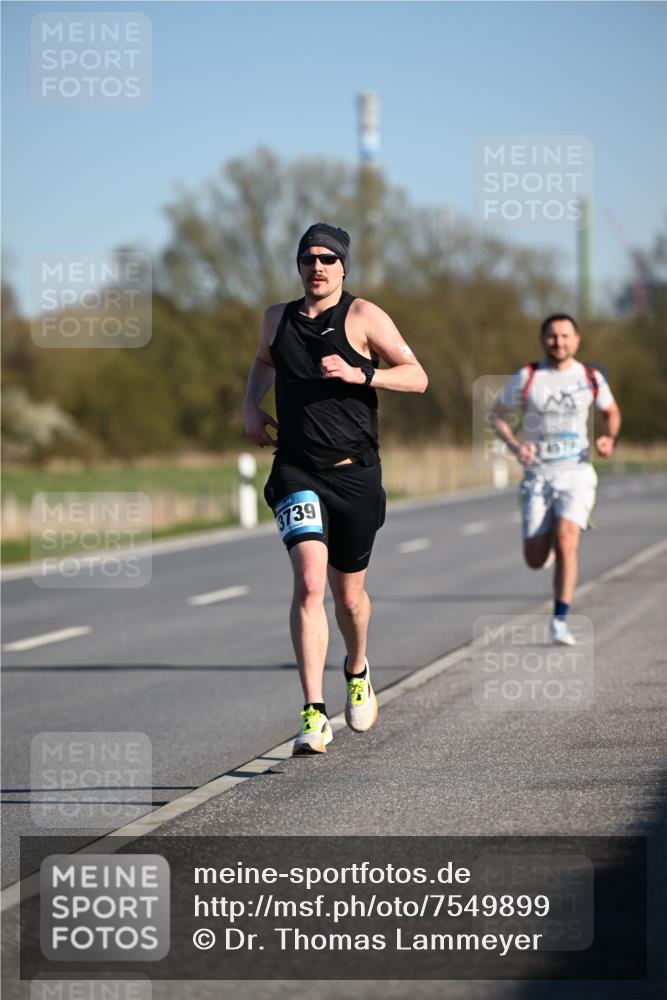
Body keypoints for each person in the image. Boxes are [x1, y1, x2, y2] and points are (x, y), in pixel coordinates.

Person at [243, 223, 428, 754]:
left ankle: (357, 667)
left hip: (355, 473)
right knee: (308, 584)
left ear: (343, 266)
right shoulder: (276, 319)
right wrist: (250, 405)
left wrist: (362, 374)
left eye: (327, 258)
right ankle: (313, 713)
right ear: (298, 265)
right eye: (308, 258)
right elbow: (262, 362)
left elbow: (417, 376)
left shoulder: (364, 316)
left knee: (348, 597)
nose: (317, 267)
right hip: (297, 468)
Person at [490, 313, 621, 645]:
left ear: (576, 340)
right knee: (535, 559)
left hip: (576, 473)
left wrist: (609, 438)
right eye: (552, 336)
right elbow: (497, 416)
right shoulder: (528, 376)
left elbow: (611, 412)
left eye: (565, 336)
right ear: (542, 340)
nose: (558, 342)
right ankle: (545, 542)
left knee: (567, 541)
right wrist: (516, 447)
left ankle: (560, 620)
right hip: (538, 475)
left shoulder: (590, 377)